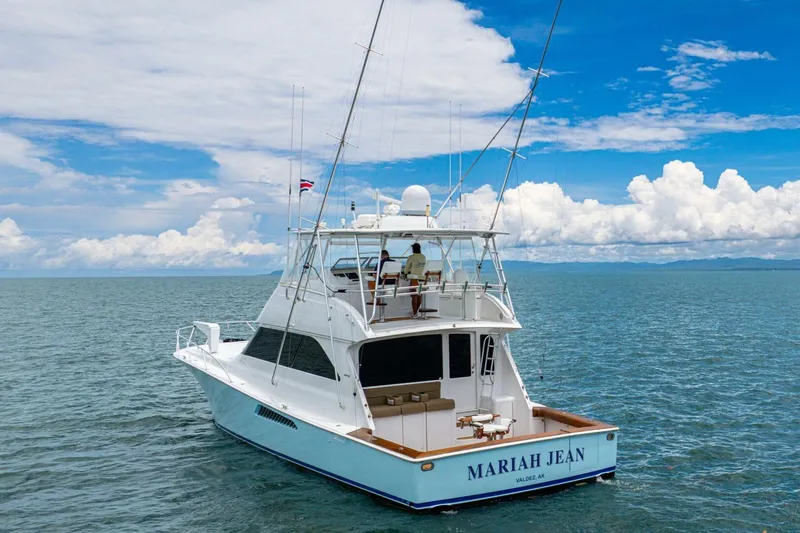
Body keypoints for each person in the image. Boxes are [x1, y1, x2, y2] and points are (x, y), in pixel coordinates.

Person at [404, 243, 426, 317]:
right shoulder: (423, 257)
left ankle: (415, 313)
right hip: (423, 279)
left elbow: (406, 269)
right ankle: (416, 312)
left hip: (414, 279)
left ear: (413, 249)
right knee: (420, 295)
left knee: (414, 296)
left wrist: (405, 273)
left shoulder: (411, 257)